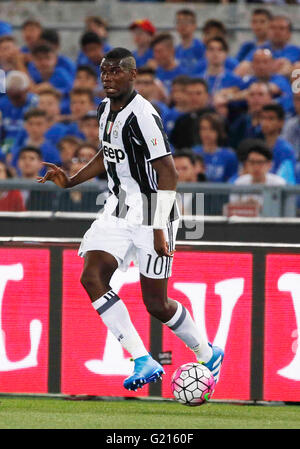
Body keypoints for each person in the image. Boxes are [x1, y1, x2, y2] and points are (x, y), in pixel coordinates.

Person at [37, 47, 224, 391]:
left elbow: (168, 172)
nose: (107, 77)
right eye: (103, 72)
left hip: (153, 209)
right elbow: (108, 154)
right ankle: (142, 358)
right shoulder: (105, 108)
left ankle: (206, 352)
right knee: (92, 276)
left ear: (132, 74)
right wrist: (71, 179)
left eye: (115, 71)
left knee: (156, 303)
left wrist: (157, 226)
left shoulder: (143, 115)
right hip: (118, 206)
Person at [230, 142, 286, 210]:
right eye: (252, 162)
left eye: (260, 162)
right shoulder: (239, 182)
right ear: (246, 164)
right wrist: (244, 206)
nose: (256, 167)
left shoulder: (278, 183)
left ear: (269, 165)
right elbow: (232, 209)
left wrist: (261, 208)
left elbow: (283, 210)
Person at [0, 70, 39, 157]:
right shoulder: (2, 104)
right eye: (11, 96)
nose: (14, 101)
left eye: (18, 97)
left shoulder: (36, 103)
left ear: (26, 90)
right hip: (7, 143)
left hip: (29, 142)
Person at [193, 112, 238, 182]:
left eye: (211, 129)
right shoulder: (193, 153)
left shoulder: (229, 156)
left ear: (219, 131)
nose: (207, 133)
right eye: (203, 128)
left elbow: (232, 180)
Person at [170, 78, 213, 150]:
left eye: (198, 93)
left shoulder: (215, 119)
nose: (194, 97)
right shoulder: (181, 120)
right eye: (190, 94)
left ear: (207, 95)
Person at [260, 103, 296, 183]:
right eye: (263, 118)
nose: (265, 122)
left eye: (271, 118)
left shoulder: (286, 150)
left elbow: (286, 180)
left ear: (281, 123)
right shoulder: (258, 147)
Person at [174, 9, 205, 73]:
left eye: (186, 22)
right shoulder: (176, 50)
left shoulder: (201, 48)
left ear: (194, 26)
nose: (182, 25)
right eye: (179, 22)